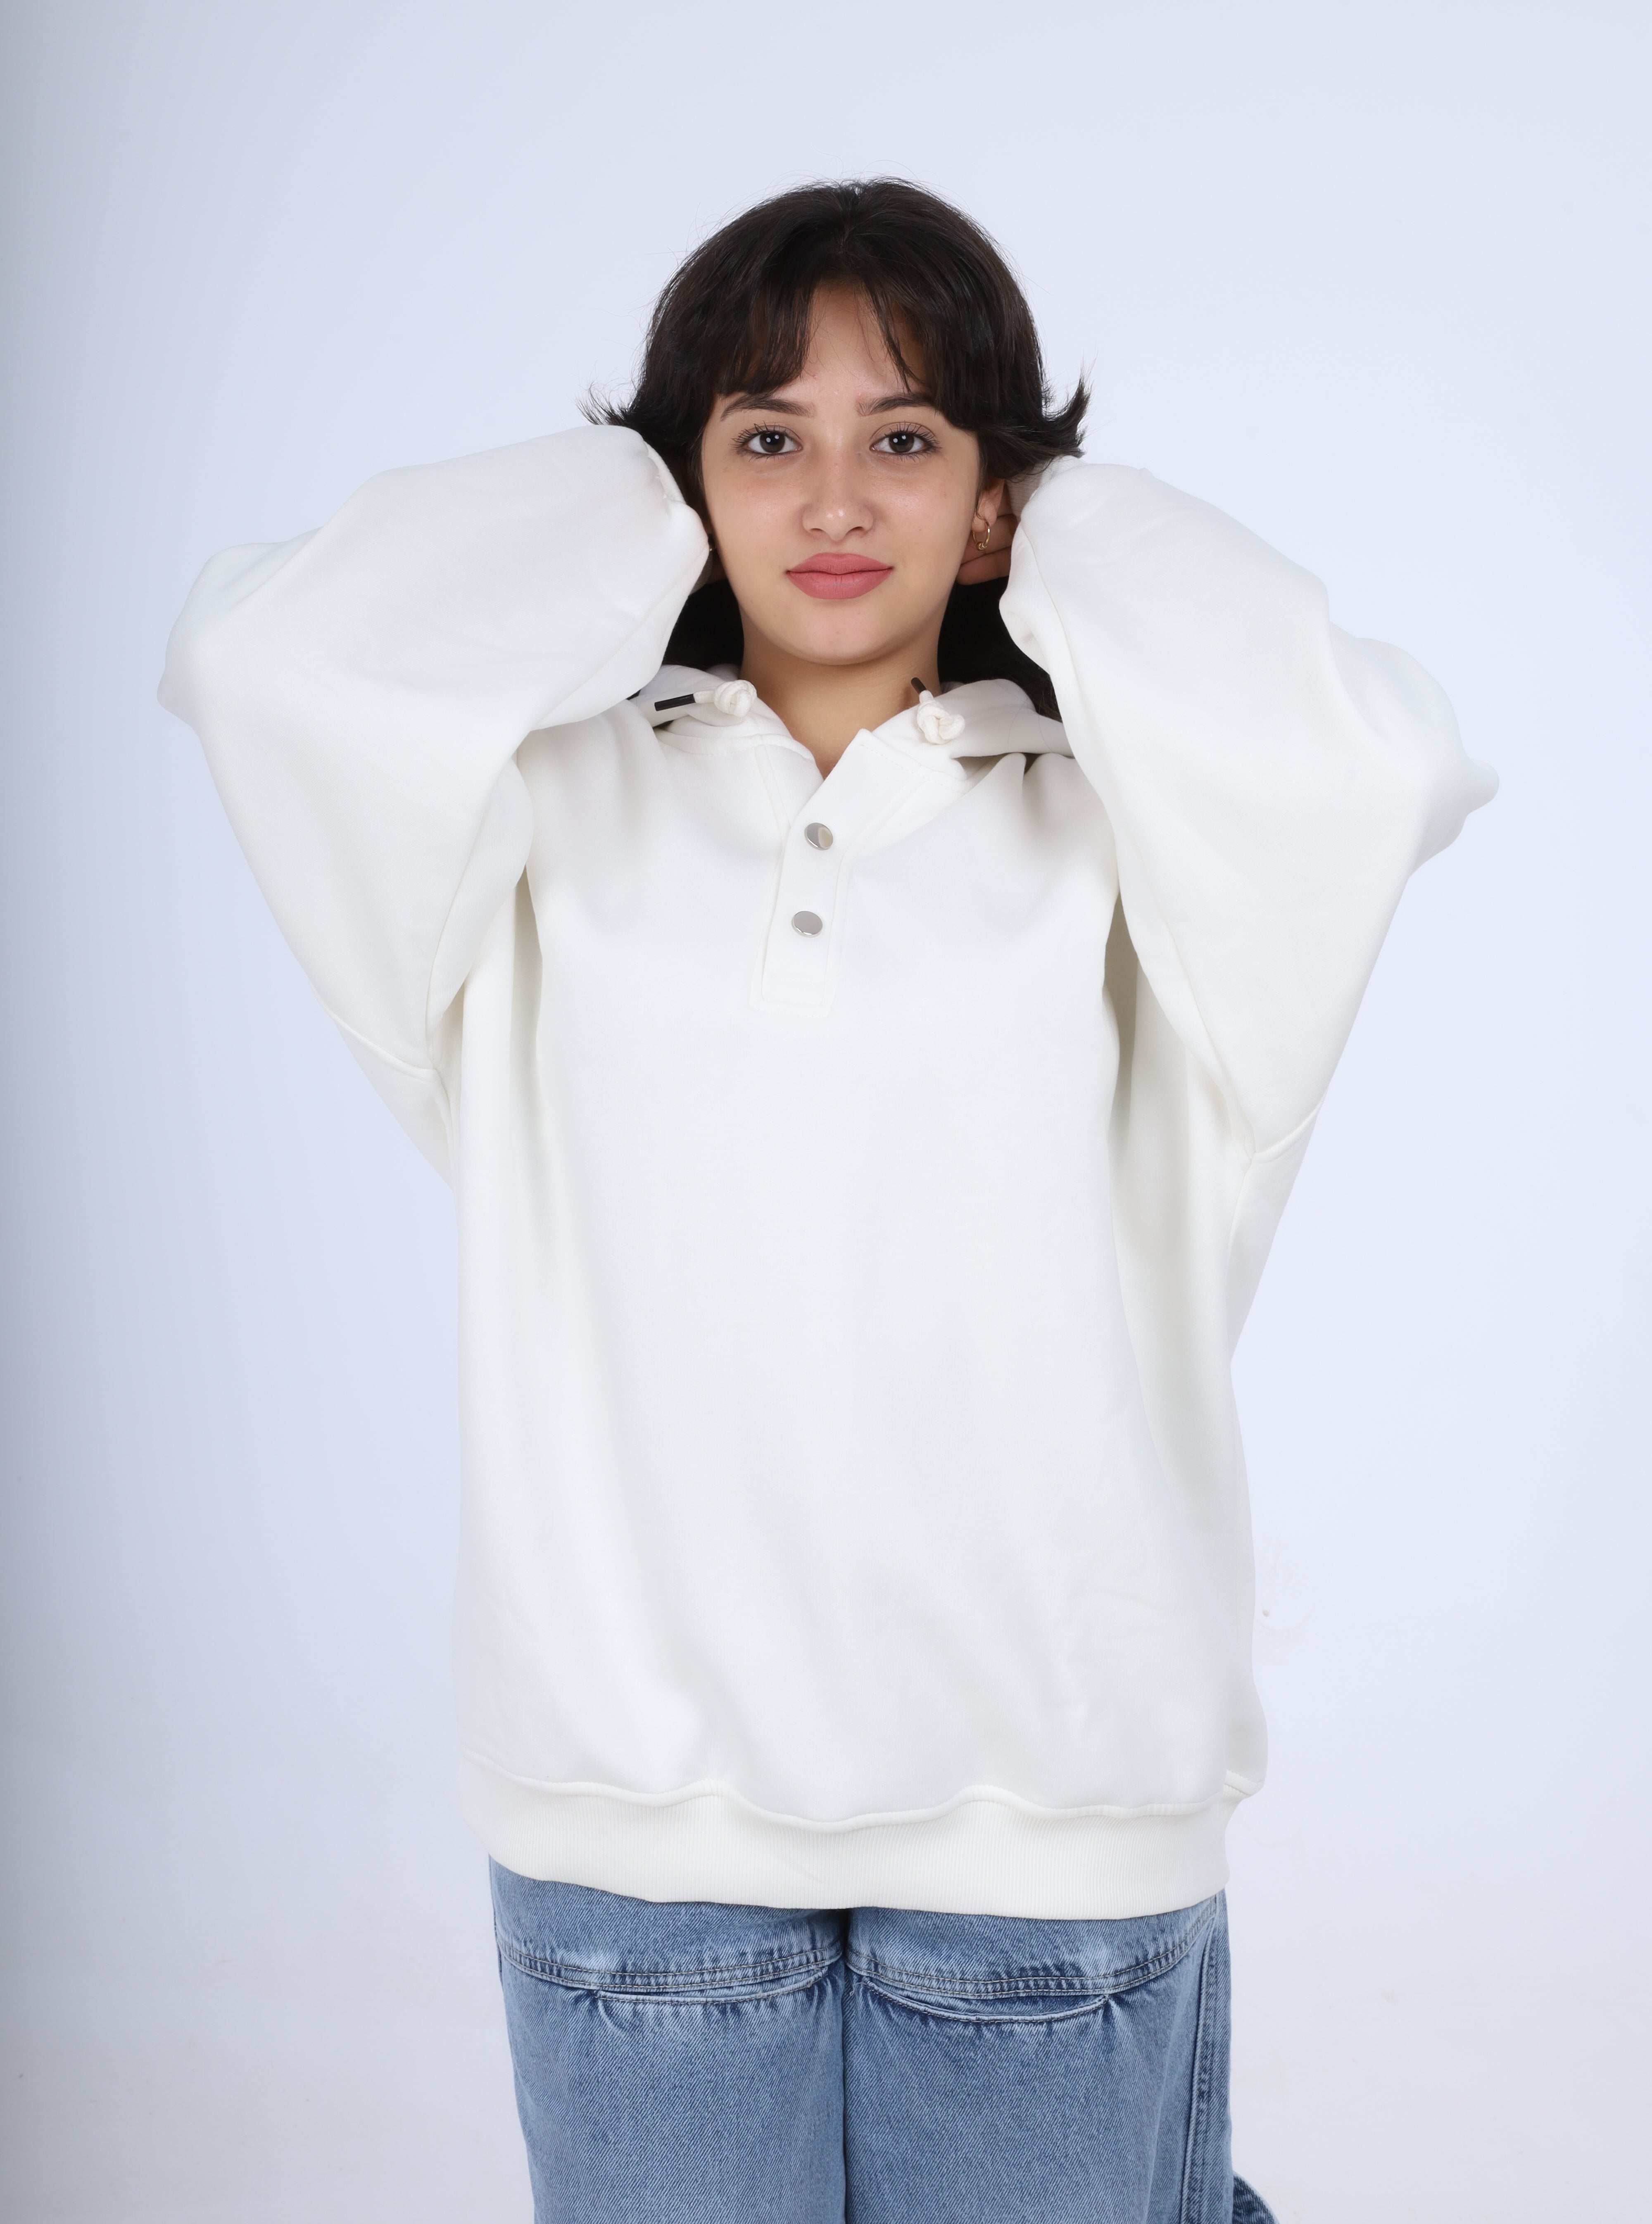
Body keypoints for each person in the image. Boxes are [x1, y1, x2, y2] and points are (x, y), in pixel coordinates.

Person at [160, 178, 1495, 2223]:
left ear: (993, 497)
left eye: (908, 435)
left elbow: (1373, 762)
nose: (835, 496)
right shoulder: (538, 823)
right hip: (635, 1821)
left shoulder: (1135, 842)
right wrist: (637, 499)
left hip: (1051, 1816)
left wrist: (1056, 513)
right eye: (766, 435)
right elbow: (262, 658)